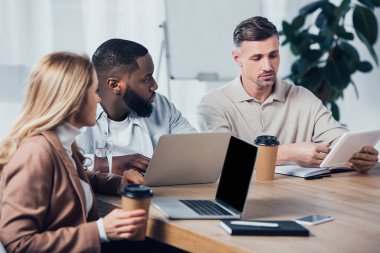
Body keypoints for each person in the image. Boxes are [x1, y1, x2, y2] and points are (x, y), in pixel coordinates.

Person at [0, 52, 147, 252]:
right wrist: (100, 230)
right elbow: (18, 244)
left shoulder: (60, 144)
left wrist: (118, 183)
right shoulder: (35, 154)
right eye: (95, 91)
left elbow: (70, 180)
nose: (98, 100)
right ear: (75, 100)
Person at [197, 16, 378, 172]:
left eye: (273, 55)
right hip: (243, 200)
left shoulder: (302, 97)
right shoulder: (213, 104)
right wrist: (289, 153)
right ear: (238, 59)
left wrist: (359, 155)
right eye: (257, 57)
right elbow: (226, 158)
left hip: (300, 199)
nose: (268, 66)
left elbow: (338, 139)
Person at [77, 39, 196, 175]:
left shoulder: (160, 105)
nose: (155, 86)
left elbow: (196, 148)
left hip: (159, 194)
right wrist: (105, 164)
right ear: (115, 85)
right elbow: (59, 162)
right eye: (146, 79)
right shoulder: (76, 114)